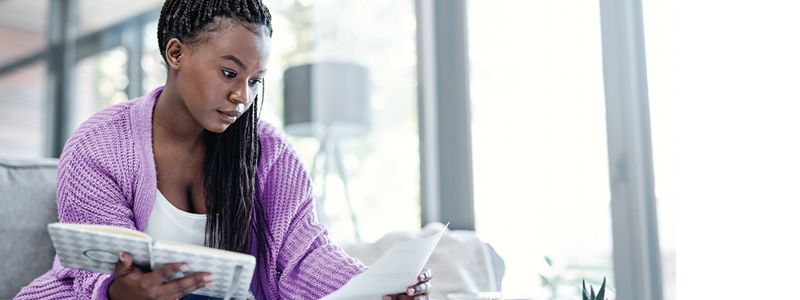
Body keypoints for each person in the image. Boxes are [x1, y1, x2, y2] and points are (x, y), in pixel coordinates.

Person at [14, 0, 432, 299]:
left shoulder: (269, 154)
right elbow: (94, 267)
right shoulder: (98, 145)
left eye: (255, 81)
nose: (241, 96)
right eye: (230, 72)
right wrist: (118, 292)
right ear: (175, 53)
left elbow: (305, 257)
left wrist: (379, 286)